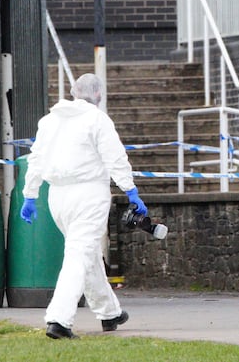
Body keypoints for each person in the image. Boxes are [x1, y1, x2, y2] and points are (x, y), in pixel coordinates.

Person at [19, 73, 147, 340]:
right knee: (79, 255)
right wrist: (130, 190)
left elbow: (36, 159)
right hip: (89, 193)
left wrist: (30, 195)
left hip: (57, 197)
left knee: (86, 253)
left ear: (73, 92)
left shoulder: (49, 121)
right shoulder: (97, 119)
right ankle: (59, 320)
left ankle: (109, 312)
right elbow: (115, 157)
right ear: (98, 95)